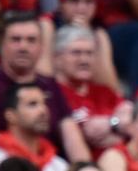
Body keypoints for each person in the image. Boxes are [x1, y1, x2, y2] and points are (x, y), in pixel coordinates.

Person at [0, 12, 89, 161]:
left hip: (47, 166)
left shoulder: (49, 85)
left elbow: (73, 139)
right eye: (16, 40)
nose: (23, 47)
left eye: (31, 40)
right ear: (1, 44)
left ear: (41, 47)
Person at [53, 25, 131, 156]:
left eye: (89, 53)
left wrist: (111, 124)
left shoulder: (104, 91)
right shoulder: (53, 94)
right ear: (57, 58)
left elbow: (134, 122)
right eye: (76, 53)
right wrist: (119, 127)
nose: (84, 60)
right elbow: (86, 135)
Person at [38, 0, 120, 91]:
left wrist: (87, 37)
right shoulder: (48, 24)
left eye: (88, 1)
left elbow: (111, 89)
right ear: (61, 3)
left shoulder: (99, 33)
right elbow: (43, 77)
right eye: (74, 1)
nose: (81, 8)